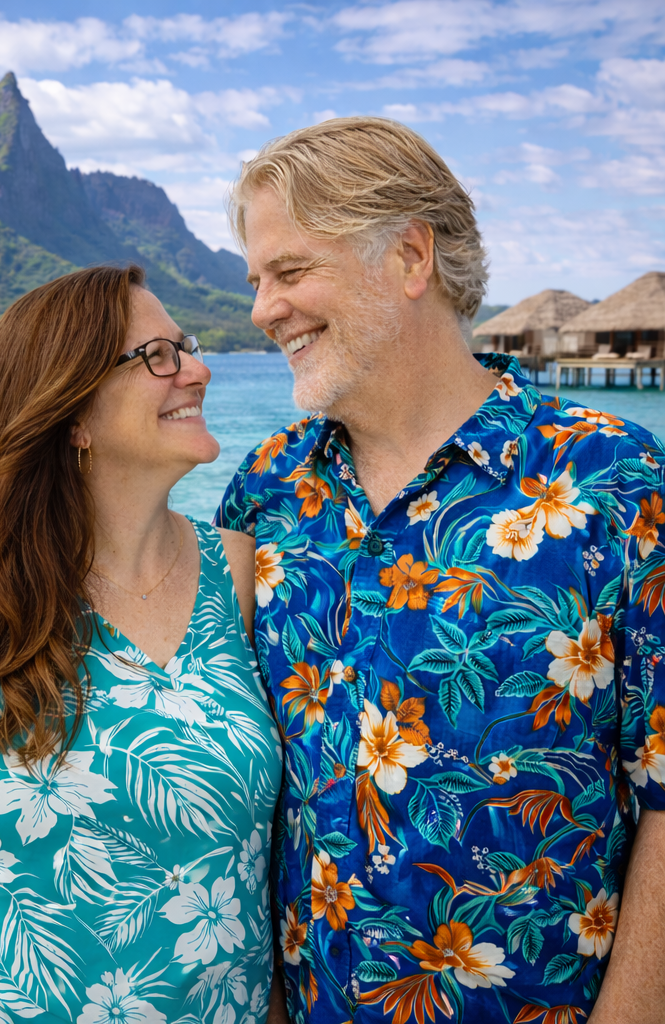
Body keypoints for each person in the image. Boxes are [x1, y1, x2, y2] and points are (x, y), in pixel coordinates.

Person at [215, 117, 665, 1024]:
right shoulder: (266, 490)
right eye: (256, 281)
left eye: (291, 272)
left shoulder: (617, 484)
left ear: (410, 256)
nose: (263, 310)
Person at [0, 264, 284, 1024]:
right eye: (159, 356)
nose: (199, 370)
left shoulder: (243, 576)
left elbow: (272, 865)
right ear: (72, 412)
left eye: (188, 346)